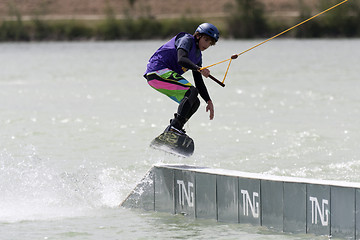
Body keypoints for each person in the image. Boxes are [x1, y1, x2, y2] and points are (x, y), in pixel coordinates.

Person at [144, 23, 219, 136]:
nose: (207, 44)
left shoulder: (198, 57)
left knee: (195, 102)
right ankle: (174, 128)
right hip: (157, 71)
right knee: (191, 91)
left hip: (161, 76)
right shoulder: (186, 39)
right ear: (198, 35)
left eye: (210, 42)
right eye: (206, 39)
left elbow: (198, 82)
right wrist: (199, 69)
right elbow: (181, 59)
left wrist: (208, 100)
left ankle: (174, 131)